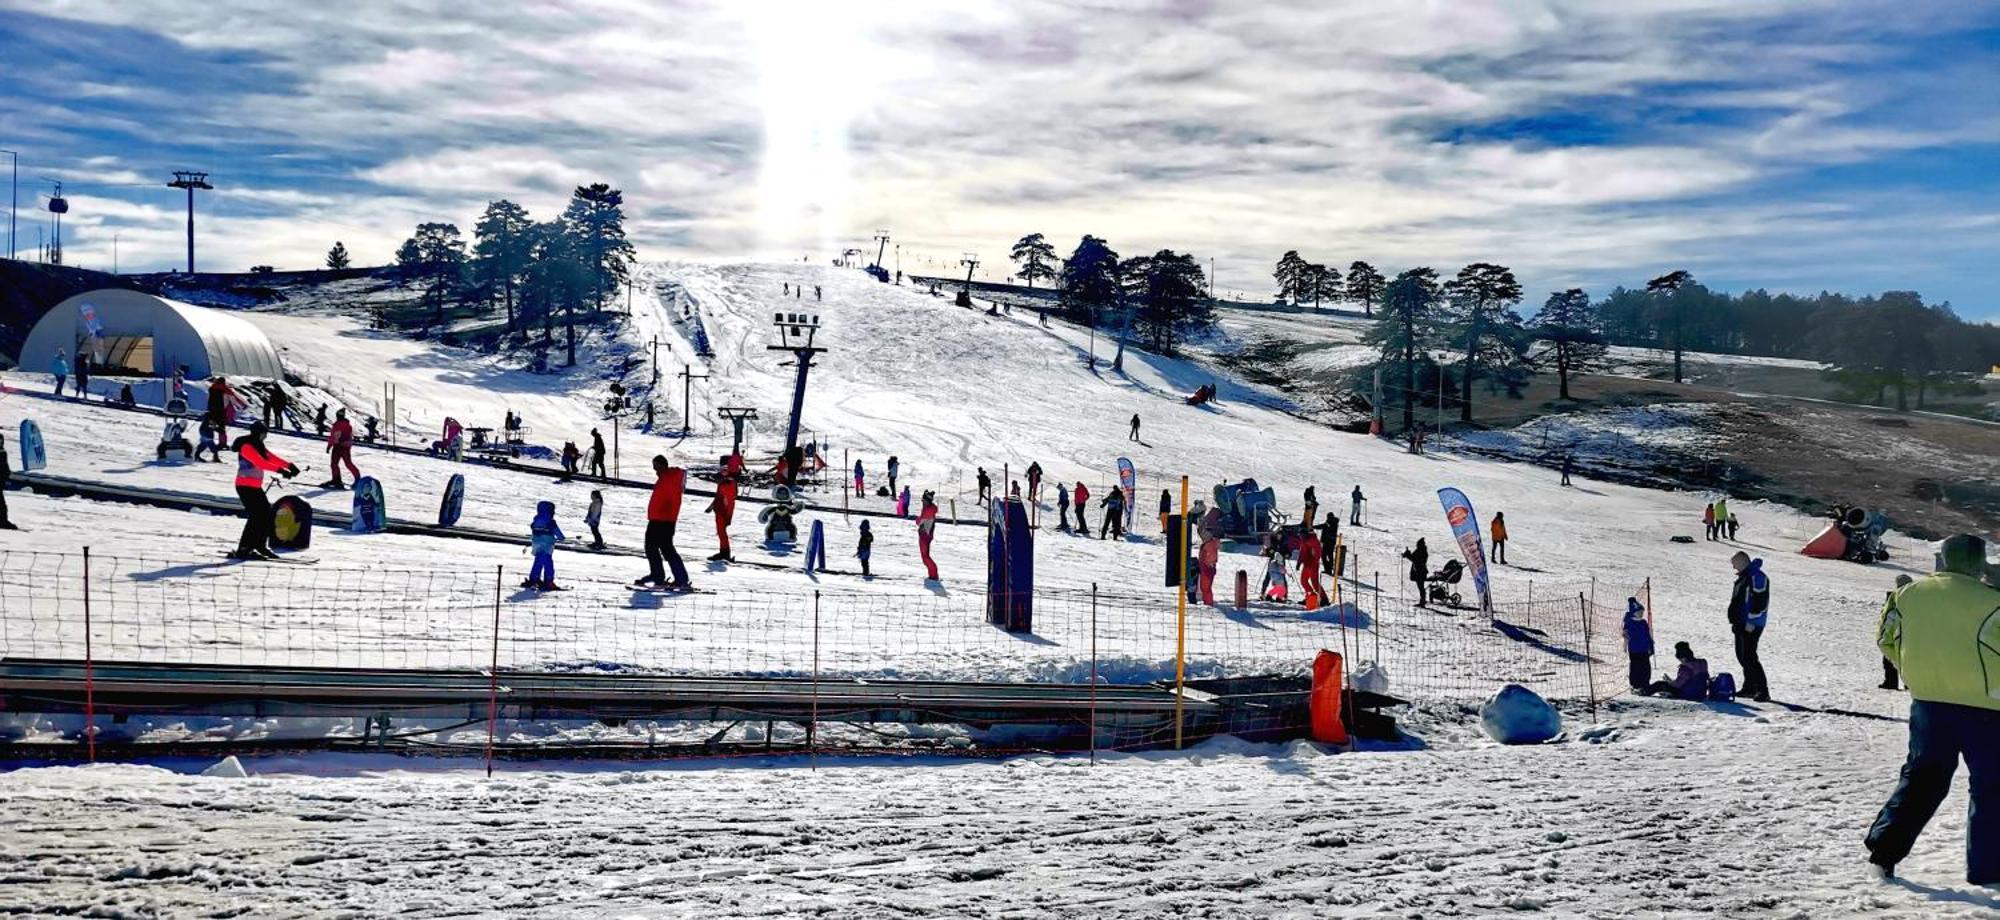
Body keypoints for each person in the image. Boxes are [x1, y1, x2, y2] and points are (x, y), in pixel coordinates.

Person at [1866, 534, 2000, 885]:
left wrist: (1913, 673)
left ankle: (1883, 852)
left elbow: (1885, 637)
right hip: (1988, 708)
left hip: (1928, 704)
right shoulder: (1992, 601)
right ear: (1978, 562)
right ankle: (1988, 871)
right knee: (1991, 787)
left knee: (1921, 780)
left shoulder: (1909, 594)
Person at [227, 421, 298, 560]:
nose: (265, 436)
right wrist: (281, 471)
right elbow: (260, 462)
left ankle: (259, 546)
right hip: (245, 486)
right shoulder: (246, 446)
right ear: (259, 433)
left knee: (266, 515)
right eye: (264, 434)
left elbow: (271, 457)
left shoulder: (257, 445)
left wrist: (289, 465)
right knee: (256, 517)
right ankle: (244, 549)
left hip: (254, 487)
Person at [637, 455, 691, 590]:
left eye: (655, 466)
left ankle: (662, 576)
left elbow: (670, 500)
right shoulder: (668, 477)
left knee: (656, 548)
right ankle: (675, 577)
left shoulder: (669, 478)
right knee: (663, 548)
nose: (654, 469)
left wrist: (664, 514)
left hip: (661, 520)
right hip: (663, 519)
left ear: (662, 465)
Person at [1727, 551, 1771, 702]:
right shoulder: (1744, 576)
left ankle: (1762, 690)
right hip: (1741, 622)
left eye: (1734, 563)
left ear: (1742, 562)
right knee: (1742, 655)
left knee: (1750, 656)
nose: (1733, 566)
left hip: (1751, 623)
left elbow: (1760, 601)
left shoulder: (1757, 577)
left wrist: (1751, 621)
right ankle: (1749, 687)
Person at [1642, 642, 1710, 700]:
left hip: (1688, 694)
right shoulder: (1702, 663)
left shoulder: (1686, 668)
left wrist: (1669, 681)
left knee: (1660, 684)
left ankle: (1644, 692)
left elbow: (1678, 685)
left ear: (1684, 658)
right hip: (1701, 693)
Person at [1882, 574, 1914, 690]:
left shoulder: (1895, 597)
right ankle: (1907, 684)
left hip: (1895, 631)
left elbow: (1887, 615)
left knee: (1890, 658)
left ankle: (1891, 682)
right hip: (1907, 632)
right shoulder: (1915, 597)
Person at [525, 500, 565, 590]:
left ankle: (534, 579)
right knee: (548, 563)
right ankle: (549, 581)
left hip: (536, 543)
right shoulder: (551, 521)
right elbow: (557, 531)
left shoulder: (536, 519)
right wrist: (561, 538)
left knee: (538, 561)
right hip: (547, 544)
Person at [706, 453, 740, 562]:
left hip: (723, 511)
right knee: (721, 532)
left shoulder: (728, 484)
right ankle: (723, 551)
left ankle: (725, 553)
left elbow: (728, 501)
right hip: (721, 510)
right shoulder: (725, 482)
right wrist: (711, 506)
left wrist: (727, 515)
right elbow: (719, 496)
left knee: (722, 532)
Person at [323, 409, 359, 489]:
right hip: (346, 447)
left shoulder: (337, 425)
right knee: (348, 463)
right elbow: (349, 436)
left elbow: (333, 436)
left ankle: (336, 480)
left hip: (338, 447)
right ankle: (358, 478)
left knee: (334, 464)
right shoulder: (348, 425)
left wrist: (329, 446)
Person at [1623, 598, 1653, 690]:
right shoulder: (1629, 623)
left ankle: (1645, 683)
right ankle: (1635, 684)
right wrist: (1624, 646)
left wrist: (1651, 646)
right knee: (1636, 667)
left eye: (1642, 612)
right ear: (1634, 612)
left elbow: (1648, 636)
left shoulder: (1643, 623)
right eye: (1639, 612)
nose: (1641, 614)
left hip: (1644, 650)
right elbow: (1626, 636)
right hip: (1635, 650)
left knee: (1646, 668)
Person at [1298, 531, 1328, 607]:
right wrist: (1299, 561)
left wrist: (1313, 562)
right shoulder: (1304, 540)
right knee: (1303, 581)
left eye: (1301, 533)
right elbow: (1302, 551)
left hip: (1313, 564)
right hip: (1306, 564)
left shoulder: (1313, 540)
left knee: (1315, 582)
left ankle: (1324, 599)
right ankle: (1312, 597)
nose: (1300, 535)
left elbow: (1317, 554)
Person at [917, 492, 940, 582]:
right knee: (925, 557)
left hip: (925, 535)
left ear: (927, 501)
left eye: (923, 500)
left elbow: (919, 521)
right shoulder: (929, 508)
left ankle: (934, 575)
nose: (922, 502)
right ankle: (932, 574)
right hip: (926, 534)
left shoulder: (928, 510)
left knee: (925, 557)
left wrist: (918, 519)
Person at [1403, 538, 1430, 608]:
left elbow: (1415, 560)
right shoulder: (1421, 551)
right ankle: (1422, 601)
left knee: (1421, 587)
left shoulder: (1422, 552)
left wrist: (1408, 555)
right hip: (1419, 571)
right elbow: (1414, 558)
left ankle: (1422, 601)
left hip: (1420, 571)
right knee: (1420, 587)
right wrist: (1408, 554)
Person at [0, 432, 16, 530]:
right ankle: (3, 521)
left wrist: (6, 476)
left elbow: (5, 467)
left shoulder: (2, 452)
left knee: (1, 504)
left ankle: (3, 521)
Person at [1318, 512, 1340, 577]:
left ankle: (1328, 569)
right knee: (1330, 556)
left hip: (1327, 542)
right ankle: (1329, 569)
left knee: (1323, 555)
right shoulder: (1334, 523)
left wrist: (1312, 526)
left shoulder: (1330, 523)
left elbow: (1322, 526)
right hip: (1331, 542)